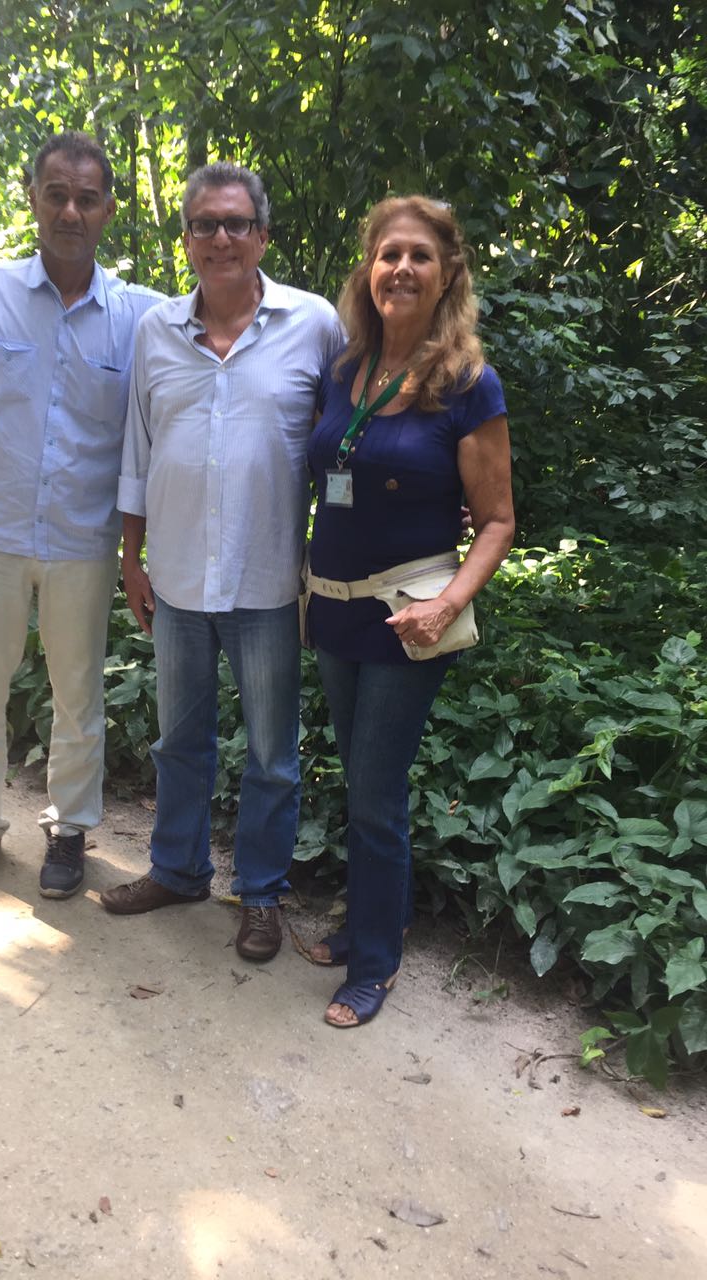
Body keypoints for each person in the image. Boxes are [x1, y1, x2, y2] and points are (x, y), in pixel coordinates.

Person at [100, 162, 343, 962]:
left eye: (236, 223)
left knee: (272, 754)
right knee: (180, 740)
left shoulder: (313, 324)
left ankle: (262, 894)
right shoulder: (156, 332)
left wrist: (425, 499)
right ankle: (177, 871)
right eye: (205, 224)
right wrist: (131, 558)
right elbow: (137, 452)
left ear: (262, 236)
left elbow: (353, 436)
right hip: (175, 576)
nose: (221, 238)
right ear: (187, 241)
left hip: (267, 579)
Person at [0, 131, 164, 898]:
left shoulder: (141, 317)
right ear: (33, 199)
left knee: (78, 694)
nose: (70, 212)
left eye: (86, 199)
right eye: (56, 195)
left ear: (108, 210)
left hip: (82, 541)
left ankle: (69, 830)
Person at [303, 196, 514, 1027]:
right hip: (334, 609)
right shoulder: (344, 370)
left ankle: (375, 965)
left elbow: (497, 521)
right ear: (369, 268)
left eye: (419, 255)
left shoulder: (468, 384)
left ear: (447, 272)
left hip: (408, 619)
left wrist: (447, 603)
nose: (401, 268)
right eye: (388, 253)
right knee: (359, 781)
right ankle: (368, 922)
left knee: (377, 793)